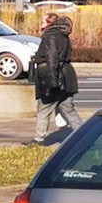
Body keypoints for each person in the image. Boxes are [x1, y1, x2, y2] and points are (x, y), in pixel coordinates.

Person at [32, 13, 79, 141]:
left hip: (56, 77)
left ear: (49, 23)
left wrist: (52, 83)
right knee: (68, 109)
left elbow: (52, 59)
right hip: (66, 76)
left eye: (43, 22)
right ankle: (82, 136)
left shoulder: (51, 37)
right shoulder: (63, 36)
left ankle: (38, 138)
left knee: (44, 107)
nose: (41, 25)